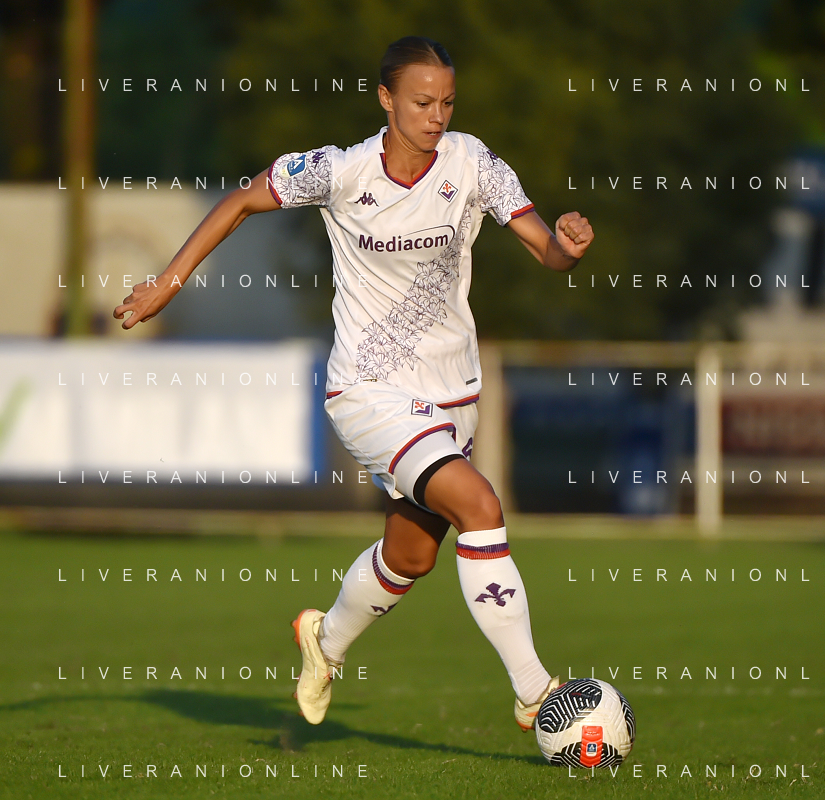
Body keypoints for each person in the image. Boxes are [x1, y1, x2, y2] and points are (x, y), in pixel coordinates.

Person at [114, 35, 593, 731]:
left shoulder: (472, 162)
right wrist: (167, 282)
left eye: (447, 102)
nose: (437, 116)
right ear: (385, 99)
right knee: (480, 505)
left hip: (454, 393)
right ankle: (534, 691)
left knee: (412, 556)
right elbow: (239, 201)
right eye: (422, 102)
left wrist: (567, 248)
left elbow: (544, 248)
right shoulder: (339, 172)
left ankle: (325, 641)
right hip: (369, 394)